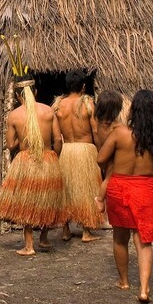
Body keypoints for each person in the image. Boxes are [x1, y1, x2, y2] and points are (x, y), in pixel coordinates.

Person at [97, 90, 153, 304]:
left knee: (120, 237)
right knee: (144, 240)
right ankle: (144, 289)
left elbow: (100, 159)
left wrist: (113, 165)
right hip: (144, 188)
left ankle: (124, 281)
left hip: (120, 186)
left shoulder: (120, 134)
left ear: (134, 111)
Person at [0, 67, 65, 256]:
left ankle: (29, 246)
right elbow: (58, 139)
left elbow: (10, 144)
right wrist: (54, 156)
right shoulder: (48, 111)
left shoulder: (14, 115)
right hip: (48, 158)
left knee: (27, 202)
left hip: (26, 160)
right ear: (36, 92)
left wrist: (20, 141)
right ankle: (45, 239)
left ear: (17, 96)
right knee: (46, 199)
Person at [54, 69, 103, 242]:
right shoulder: (88, 104)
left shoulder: (59, 106)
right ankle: (86, 231)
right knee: (88, 189)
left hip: (67, 150)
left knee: (67, 190)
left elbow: (56, 135)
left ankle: (66, 229)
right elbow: (96, 130)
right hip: (85, 150)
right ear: (83, 87)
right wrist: (100, 151)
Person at [92, 90, 125, 214]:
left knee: (107, 177)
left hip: (105, 152)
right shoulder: (115, 127)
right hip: (114, 155)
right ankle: (100, 199)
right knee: (108, 178)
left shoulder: (100, 123)